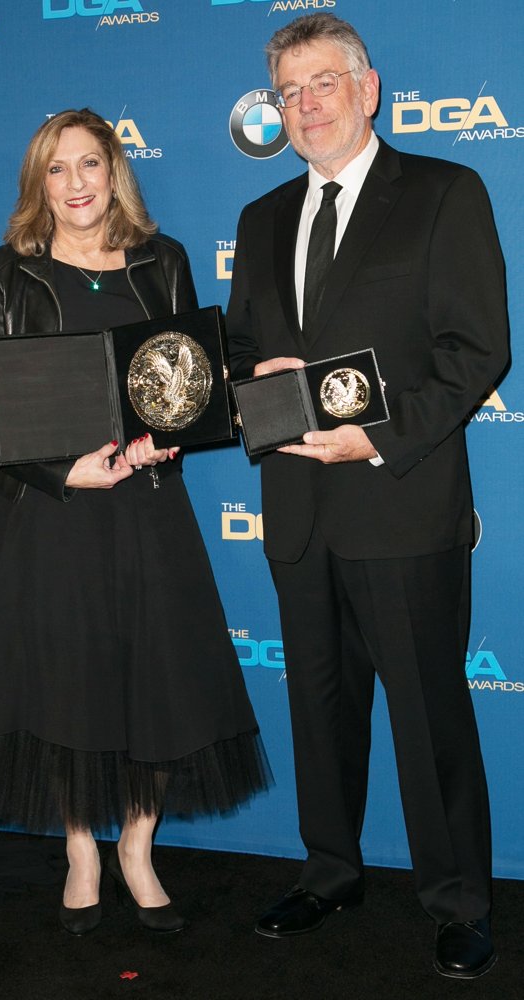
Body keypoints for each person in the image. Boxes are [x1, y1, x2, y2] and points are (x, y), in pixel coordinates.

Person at [226, 13, 508, 979]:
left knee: (430, 715)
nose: (305, 107)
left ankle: (459, 898)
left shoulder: (442, 192)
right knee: (319, 705)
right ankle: (329, 868)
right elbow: (236, 350)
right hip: (299, 514)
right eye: (288, 93)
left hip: (404, 504)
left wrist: (376, 439)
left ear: (368, 87)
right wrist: (244, 379)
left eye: (322, 85)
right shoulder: (261, 218)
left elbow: (479, 349)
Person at [0, 108, 270, 936]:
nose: (76, 184)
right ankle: (81, 850)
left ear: (114, 170)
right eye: (57, 170)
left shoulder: (165, 262)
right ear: (38, 185)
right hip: (51, 515)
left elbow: (186, 382)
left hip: (146, 509)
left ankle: (136, 845)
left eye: (89, 164)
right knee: (65, 684)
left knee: (155, 679)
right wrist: (65, 472)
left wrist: (170, 437)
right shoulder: (9, 272)